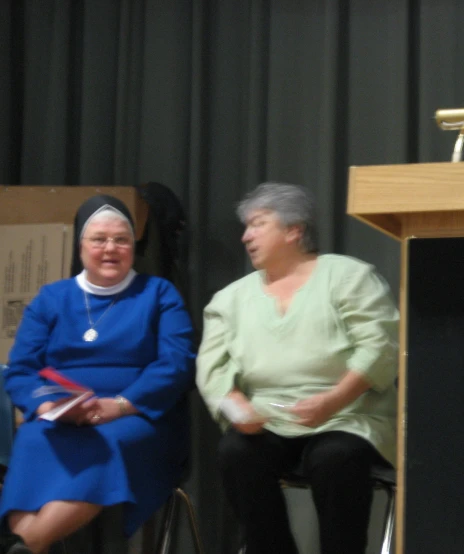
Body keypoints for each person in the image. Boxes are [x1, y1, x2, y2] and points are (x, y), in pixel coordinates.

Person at [196, 182, 398, 554]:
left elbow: (381, 345)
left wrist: (335, 399)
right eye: (246, 227)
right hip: (269, 419)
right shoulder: (230, 299)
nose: (245, 236)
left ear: (294, 230)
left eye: (257, 224)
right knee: (236, 452)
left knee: (335, 456)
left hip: (349, 415)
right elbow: (212, 370)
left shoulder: (350, 277)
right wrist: (236, 408)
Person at [0, 195, 195, 554]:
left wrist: (119, 405)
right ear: (81, 246)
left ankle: (26, 545)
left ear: (133, 246)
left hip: (137, 418)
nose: (110, 248)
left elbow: (176, 363)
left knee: (107, 444)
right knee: (31, 439)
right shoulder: (51, 298)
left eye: (121, 239)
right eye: (99, 239)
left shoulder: (158, 294)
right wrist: (49, 407)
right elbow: (22, 369)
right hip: (61, 416)